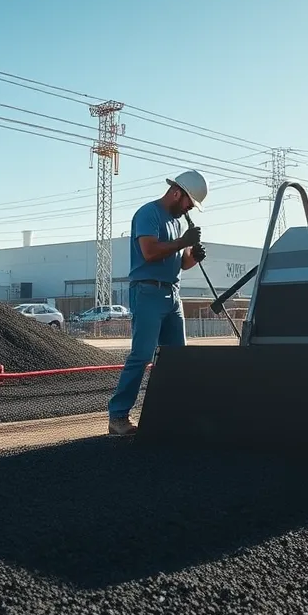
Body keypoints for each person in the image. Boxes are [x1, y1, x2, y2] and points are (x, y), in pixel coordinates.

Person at [105, 170, 209, 435]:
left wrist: (192, 255)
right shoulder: (147, 214)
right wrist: (182, 242)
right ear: (177, 193)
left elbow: (179, 264)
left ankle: (172, 413)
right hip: (148, 292)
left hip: (172, 294)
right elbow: (149, 253)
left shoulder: (175, 222)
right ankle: (118, 417)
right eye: (189, 203)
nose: (189, 209)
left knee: (177, 357)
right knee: (141, 355)